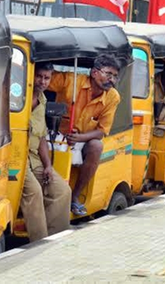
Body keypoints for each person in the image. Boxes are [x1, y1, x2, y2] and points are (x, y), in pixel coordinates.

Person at [48, 54, 121, 216]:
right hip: (55, 134)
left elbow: (102, 130)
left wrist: (79, 138)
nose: (112, 80)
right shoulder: (71, 81)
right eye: (108, 74)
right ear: (94, 73)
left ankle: (75, 196)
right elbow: (40, 83)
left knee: (97, 146)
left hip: (83, 139)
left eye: (115, 76)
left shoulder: (113, 97)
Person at [20, 62, 71, 242]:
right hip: (18, 158)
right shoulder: (18, 97)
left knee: (62, 191)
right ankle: (40, 243)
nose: (42, 81)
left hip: (35, 158)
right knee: (34, 192)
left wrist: (48, 165)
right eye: (39, 76)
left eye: (47, 78)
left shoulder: (42, 100)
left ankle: (56, 240)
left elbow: (41, 138)